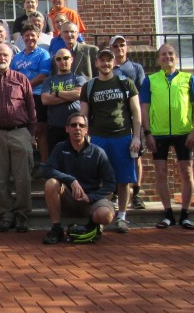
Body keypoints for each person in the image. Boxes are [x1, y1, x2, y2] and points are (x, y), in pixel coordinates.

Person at [0, 43, 37, 232]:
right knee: (0, 178)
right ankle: (6, 214)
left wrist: (31, 134)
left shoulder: (21, 79)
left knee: (22, 177)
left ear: (11, 58)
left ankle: (22, 214)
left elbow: (31, 109)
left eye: (5, 55)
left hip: (20, 132)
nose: (1, 58)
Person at [79, 48, 141, 234]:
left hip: (122, 137)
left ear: (114, 62)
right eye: (102, 60)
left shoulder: (126, 83)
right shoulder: (89, 86)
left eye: (109, 60)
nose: (105, 64)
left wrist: (137, 136)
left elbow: (136, 112)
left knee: (124, 181)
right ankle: (101, 215)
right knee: (99, 180)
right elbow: (83, 115)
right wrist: (85, 138)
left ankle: (122, 216)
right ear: (96, 63)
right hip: (98, 138)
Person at [141, 43, 194, 230]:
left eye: (170, 54)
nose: (167, 57)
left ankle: (184, 213)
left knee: (187, 172)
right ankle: (167, 213)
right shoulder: (150, 80)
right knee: (161, 173)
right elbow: (144, 108)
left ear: (176, 57)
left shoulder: (188, 78)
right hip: (158, 133)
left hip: (184, 132)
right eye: (163, 55)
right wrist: (148, 132)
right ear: (158, 59)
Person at [41, 113, 116, 244]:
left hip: (91, 200)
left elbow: (110, 184)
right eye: (73, 125)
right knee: (50, 183)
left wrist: (91, 197)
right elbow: (47, 169)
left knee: (106, 215)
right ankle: (56, 228)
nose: (77, 128)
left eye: (81, 125)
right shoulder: (60, 148)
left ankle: (92, 226)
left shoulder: (98, 152)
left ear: (86, 130)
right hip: (69, 198)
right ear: (67, 128)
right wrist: (71, 180)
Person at [110, 35, 147, 210]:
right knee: (116, 156)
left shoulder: (136, 68)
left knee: (136, 155)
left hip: (133, 117)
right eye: (115, 46)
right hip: (115, 118)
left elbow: (141, 92)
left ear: (127, 47)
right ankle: (116, 193)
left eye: (121, 45)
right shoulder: (109, 68)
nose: (119, 48)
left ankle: (137, 193)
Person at [10, 24, 51, 169]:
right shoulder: (17, 57)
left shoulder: (43, 54)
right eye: (26, 35)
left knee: (40, 131)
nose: (30, 38)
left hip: (37, 95)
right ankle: (28, 165)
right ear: (22, 38)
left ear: (38, 36)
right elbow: (12, 76)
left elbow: (43, 75)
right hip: (20, 98)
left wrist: (25, 86)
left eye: (32, 35)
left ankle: (44, 164)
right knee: (25, 132)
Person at [41, 48, 87, 159]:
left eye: (66, 58)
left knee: (77, 159)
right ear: (56, 62)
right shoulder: (49, 80)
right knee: (57, 161)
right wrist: (69, 97)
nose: (62, 61)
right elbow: (45, 100)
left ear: (72, 59)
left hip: (75, 128)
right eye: (59, 59)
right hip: (55, 128)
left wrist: (56, 93)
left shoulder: (79, 78)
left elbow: (78, 94)